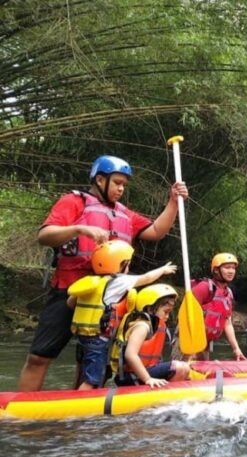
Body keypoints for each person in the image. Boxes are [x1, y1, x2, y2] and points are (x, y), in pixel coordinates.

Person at [18, 155, 188, 391]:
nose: (121, 189)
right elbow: (44, 236)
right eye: (117, 183)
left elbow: (156, 231)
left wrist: (172, 201)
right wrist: (79, 228)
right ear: (100, 179)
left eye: (124, 185)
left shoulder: (124, 213)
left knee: (90, 362)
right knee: (40, 356)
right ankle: (22, 410)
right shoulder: (74, 202)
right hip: (67, 291)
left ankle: (77, 410)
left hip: (107, 300)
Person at [67, 241, 177, 389]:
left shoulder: (91, 282)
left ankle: (76, 399)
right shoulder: (119, 281)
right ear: (122, 264)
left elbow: (70, 303)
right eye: (128, 263)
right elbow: (146, 278)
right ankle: (78, 408)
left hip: (83, 337)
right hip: (99, 339)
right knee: (93, 378)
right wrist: (163, 270)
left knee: (90, 374)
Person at [111, 284, 190, 388]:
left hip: (146, 370)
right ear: (150, 308)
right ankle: (166, 397)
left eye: (169, 312)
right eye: (165, 312)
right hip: (130, 376)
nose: (167, 316)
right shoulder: (142, 326)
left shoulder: (156, 326)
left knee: (184, 367)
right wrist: (148, 379)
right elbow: (130, 355)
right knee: (181, 368)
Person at [187, 253, 245, 361]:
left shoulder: (228, 293)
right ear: (216, 270)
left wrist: (236, 349)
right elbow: (187, 314)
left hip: (205, 342)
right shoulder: (204, 287)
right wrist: (191, 348)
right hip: (190, 340)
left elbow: (227, 324)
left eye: (233, 268)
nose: (231, 271)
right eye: (227, 267)